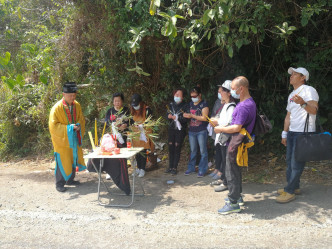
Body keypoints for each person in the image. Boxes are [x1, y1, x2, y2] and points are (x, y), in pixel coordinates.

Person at [214, 76, 256, 214]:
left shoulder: (244, 106)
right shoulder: (249, 102)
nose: (231, 92)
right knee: (235, 170)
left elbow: (236, 127)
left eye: (232, 89)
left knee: (231, 172)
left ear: (241, 89)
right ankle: (237, 197)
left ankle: (233, 202)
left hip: (236, 142)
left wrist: (220, 129)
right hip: (238, 142)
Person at [277, 67, 319, 203]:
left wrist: (302, 103)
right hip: (292, 132)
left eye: (295, 74)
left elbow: (313, 111)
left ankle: (289, 191)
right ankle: (295, 187)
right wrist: (285, 133)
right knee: (289, 162)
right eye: (291, 74)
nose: (291, 76)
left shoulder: (309, 90)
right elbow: (288, 116)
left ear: (303, 78)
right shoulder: (291, 94)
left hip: (304, 132)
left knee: (297, 163)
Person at [49, 82, 86, 192]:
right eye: (70, 95)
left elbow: (81, 119)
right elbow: (53, 126)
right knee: (62, 159)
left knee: (72, 158)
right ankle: (59, 183)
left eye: (74, 95)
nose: (72, 97)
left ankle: (70, 179)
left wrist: (78, 126)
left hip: (73, 138)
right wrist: (69, 128)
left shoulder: (77, 105)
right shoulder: (57, 108)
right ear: (63, 94)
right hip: (62, 140)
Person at [211, 80, 236, 190]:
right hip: (221, 138)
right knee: (222, 159)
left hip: (226, 138)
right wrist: (215, 120)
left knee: (227, 162)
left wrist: (218, 124)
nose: (220, 93)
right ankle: (223, 179)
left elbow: (230, 123)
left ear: (229, 93)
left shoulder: (231, 106)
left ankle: (226, 183)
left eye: (222, 91)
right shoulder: (225, 105)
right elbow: (221, 119)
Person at [183, 86, 209, 177]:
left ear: (200, 95)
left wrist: (192, 116)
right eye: (192, 96)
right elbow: (186, 114)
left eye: (195, 96)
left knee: (203, 151)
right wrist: (185, 115)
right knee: (193, 150)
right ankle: (191, 168)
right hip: (192, 130)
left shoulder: (204, 104)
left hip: (201, 130)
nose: (193, 98)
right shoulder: (190, 104)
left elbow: (204, 118)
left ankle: (202, 169)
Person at [130, 93, 155, 178]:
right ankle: (138, 168)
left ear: (141, 103)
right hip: (136, 134)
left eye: (137, 105)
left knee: (143, 151)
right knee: (137, 152)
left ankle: (142, 169)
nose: (135, 106)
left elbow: (149, 121)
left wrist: (141, 126)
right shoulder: (132, 110)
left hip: (144, 133)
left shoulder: (147, 109)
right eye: (134, 105)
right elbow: (131, 121)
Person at [165, 88, 188, 175]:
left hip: (180, 129)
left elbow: (186, 119)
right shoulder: (171, 105)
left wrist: (178, 118)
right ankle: (170, 166)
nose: (176, 96)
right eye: (175, 95)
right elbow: (166, 114)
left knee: (177, 146)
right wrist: (169, 116)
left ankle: (175, 167)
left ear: (182, 97)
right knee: (171, 146)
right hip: (171, 128)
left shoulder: (185, 106)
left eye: (178, 95)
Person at [208, 84, 225, 179]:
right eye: (218, 92)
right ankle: (217, 168)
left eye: (220, 92)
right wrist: (212, 120)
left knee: (223, 152)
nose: (219, 94)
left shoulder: (229, 104)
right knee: (217, 151)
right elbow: (213, 113)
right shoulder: (217, 101)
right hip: (216, 130)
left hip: (223, 131)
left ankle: (221, 171)